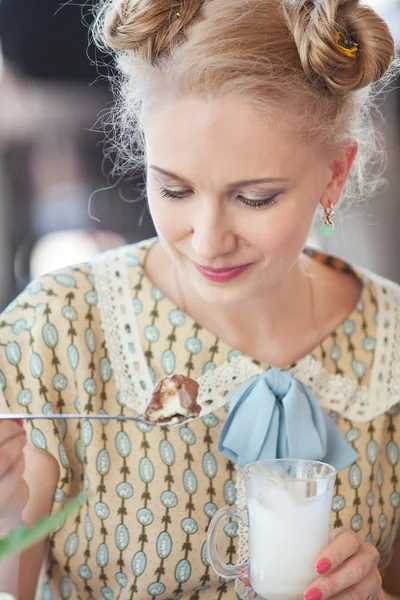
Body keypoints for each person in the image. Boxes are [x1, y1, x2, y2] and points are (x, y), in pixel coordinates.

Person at [0, 0, 399, 598]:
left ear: (336, 174)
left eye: (256, 197)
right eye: (174, 189)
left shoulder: (391, 343)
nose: (209, 242)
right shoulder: (53, 333)